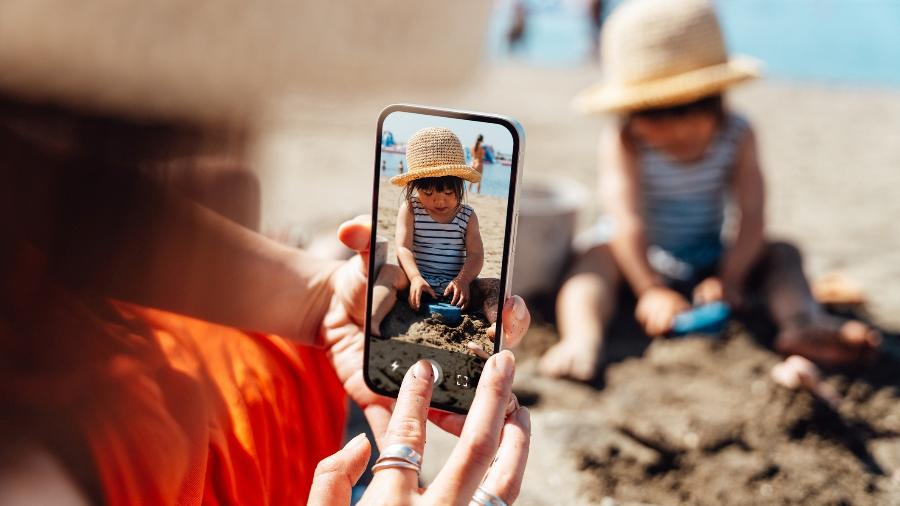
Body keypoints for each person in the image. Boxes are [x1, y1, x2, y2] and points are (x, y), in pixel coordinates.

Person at [0, 1, 533, 504]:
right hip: (232, 417)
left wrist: (313, 294)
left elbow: (41, 197)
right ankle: (314, 253)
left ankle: (314, 255)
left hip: (185, 361)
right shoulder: (40, 474)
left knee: (235, 185)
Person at [539, 0, 881, 381]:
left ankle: (801, 321)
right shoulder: (626, 140)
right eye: (656, 114)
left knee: (784, 253)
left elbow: (751, 213)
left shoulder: (737, 134)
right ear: (631, 113)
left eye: (691, 109)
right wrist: (650, 288)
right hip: (634, 256)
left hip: (707, 253)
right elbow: (626, 218)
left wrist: (732, 275)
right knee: (591, 261)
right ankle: (581, 340)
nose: (678, 130)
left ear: (717, 97)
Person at [371, 127, 491, 337]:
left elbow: (476, 254)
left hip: (456, 287)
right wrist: (416, 278)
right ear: (415, 187)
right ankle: (372, 320)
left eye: (448, 192)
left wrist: (463, 280)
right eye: (428, 193)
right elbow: (403, 248)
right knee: (389, 272)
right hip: (416, 282)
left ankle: (496, 325)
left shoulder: (467, 216)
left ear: (460, 186)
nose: (440, 200)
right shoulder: (411, 209)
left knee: (494, 286)